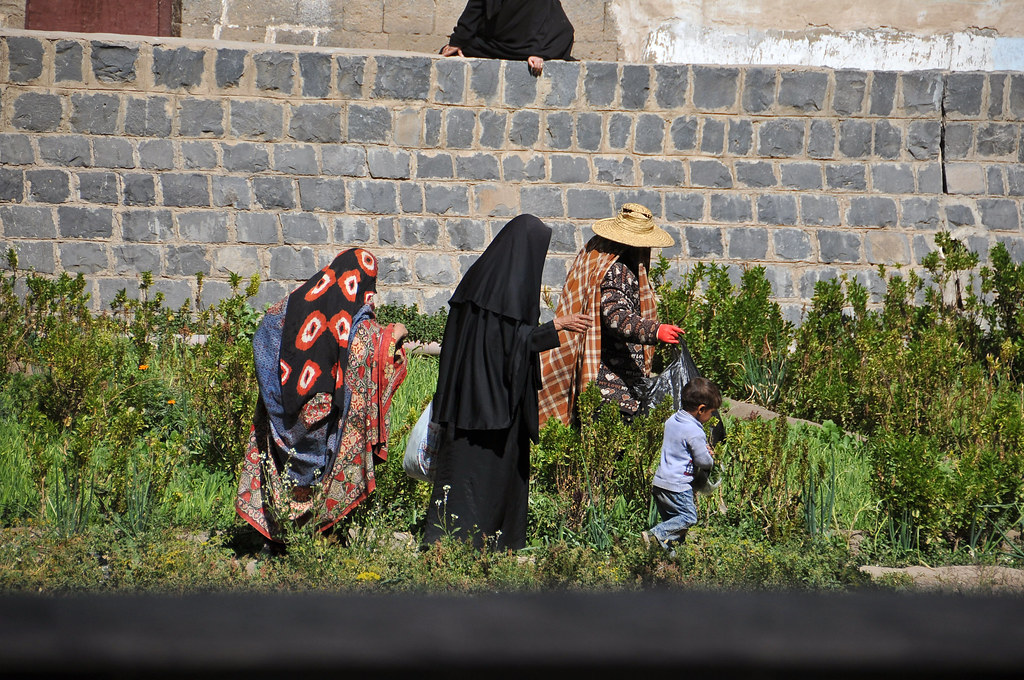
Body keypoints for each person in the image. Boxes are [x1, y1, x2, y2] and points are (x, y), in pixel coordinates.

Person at [423, 214, 590, 550]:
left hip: (464, 401)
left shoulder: (478, 281)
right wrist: (555, 327)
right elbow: (507, 343)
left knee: (462, 478)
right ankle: (485, 542)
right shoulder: (511, 289)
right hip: (496, 406)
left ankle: (452, 543)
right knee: (491, 477)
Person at [236, 248, 409, 544]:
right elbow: (374, 343)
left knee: (285, 469)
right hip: (327, 417)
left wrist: (276, 400)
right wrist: (396, 332)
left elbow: (264, 333)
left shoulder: (289, 307)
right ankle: (322, 535)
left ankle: (281, 536)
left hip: (286, 414)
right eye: (371, 289)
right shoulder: (356, 321)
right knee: (329, 464)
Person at [538, 203, 684, 426]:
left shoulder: (600, 261)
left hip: (606, 383)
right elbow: (616, 316)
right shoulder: (618, 270)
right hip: (611, 388)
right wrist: (656, 331)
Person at [644, 377, 722, 550]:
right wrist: (711, 458)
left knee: (677, 529)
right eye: (711, 412)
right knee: (688, 517)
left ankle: (669, 560)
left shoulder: (672, 420)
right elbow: (703, 461)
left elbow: (681, 448)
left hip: (660, 483)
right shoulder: (694, 430)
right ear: (701, 409)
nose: (711, 417)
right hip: (678, 486)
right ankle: (656, 533)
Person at [439, 0, 575, 76]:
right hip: (529, 48)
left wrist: (459, 40)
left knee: (465, 48)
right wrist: (539, 52)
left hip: (500, 45)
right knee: (563, 35)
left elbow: (475, 9)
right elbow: (553, 21)